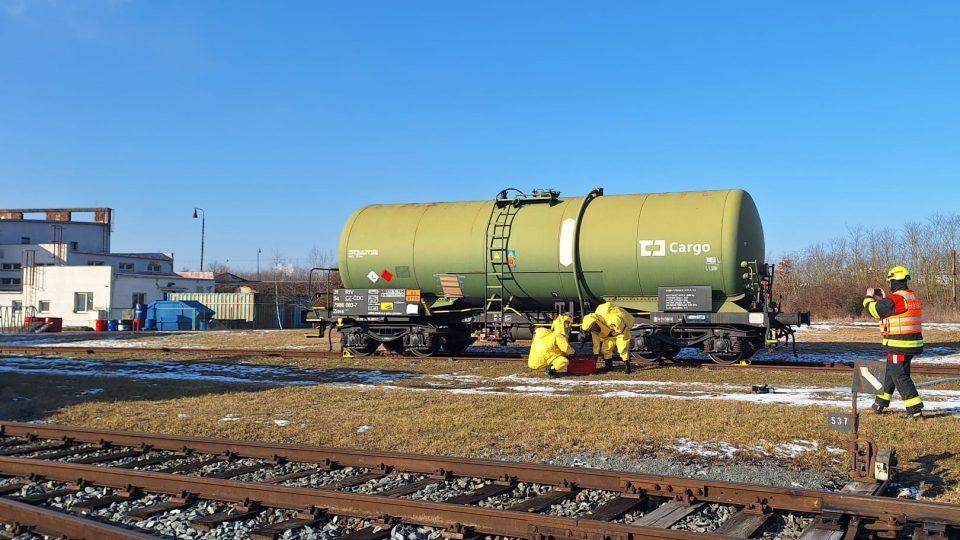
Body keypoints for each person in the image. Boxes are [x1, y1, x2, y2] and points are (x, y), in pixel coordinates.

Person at [862, 265, 925, 419]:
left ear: (893, 282)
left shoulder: (896, 299)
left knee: (899, 376)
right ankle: (880, 403)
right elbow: (892, 310)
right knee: (891, 372)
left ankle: (915, 411)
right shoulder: (910, 296)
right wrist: (884, 299)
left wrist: (868, 297)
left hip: (900, 344)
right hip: (910, 342)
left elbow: (874, 310)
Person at [581, 301, 635, 373]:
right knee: (606, 349)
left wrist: (614, 333)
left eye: (593, 327)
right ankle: (608, 366)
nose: (594, 330)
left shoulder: (613, 319)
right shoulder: (593, 329)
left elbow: (622, 328)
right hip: (609, 335)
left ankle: (627, 366)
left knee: (622, 349)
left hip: (621, 333)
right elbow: (596, 342)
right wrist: (595, 354)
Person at [527, 313, 575, 378]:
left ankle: (548, 366)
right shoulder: (559, 336)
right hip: (543, 361)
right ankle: (550, 370)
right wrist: (573, 351)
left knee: (553, 353)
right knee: (563, 361)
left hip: (533, 362)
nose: (569, 327)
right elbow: (566, 349)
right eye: (567, 324)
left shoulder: (549, 335)